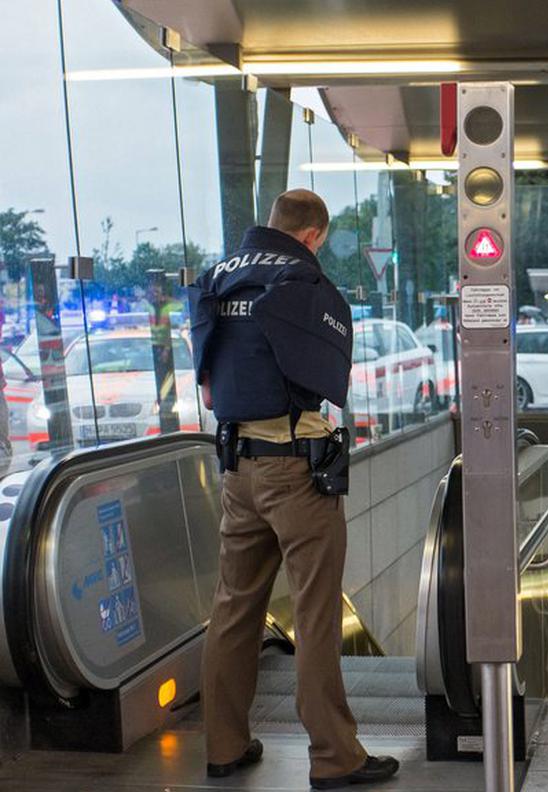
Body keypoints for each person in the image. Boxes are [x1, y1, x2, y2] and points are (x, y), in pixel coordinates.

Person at [189, 189, 398, 790]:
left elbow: (208, 391)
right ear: (314, 236)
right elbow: (328, 383)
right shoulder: (305, 285)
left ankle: (224, 746)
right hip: (296, 469)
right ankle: (335, 756)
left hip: (237, 469)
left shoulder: (216, 280)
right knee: (315, 612)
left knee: (233, 608)